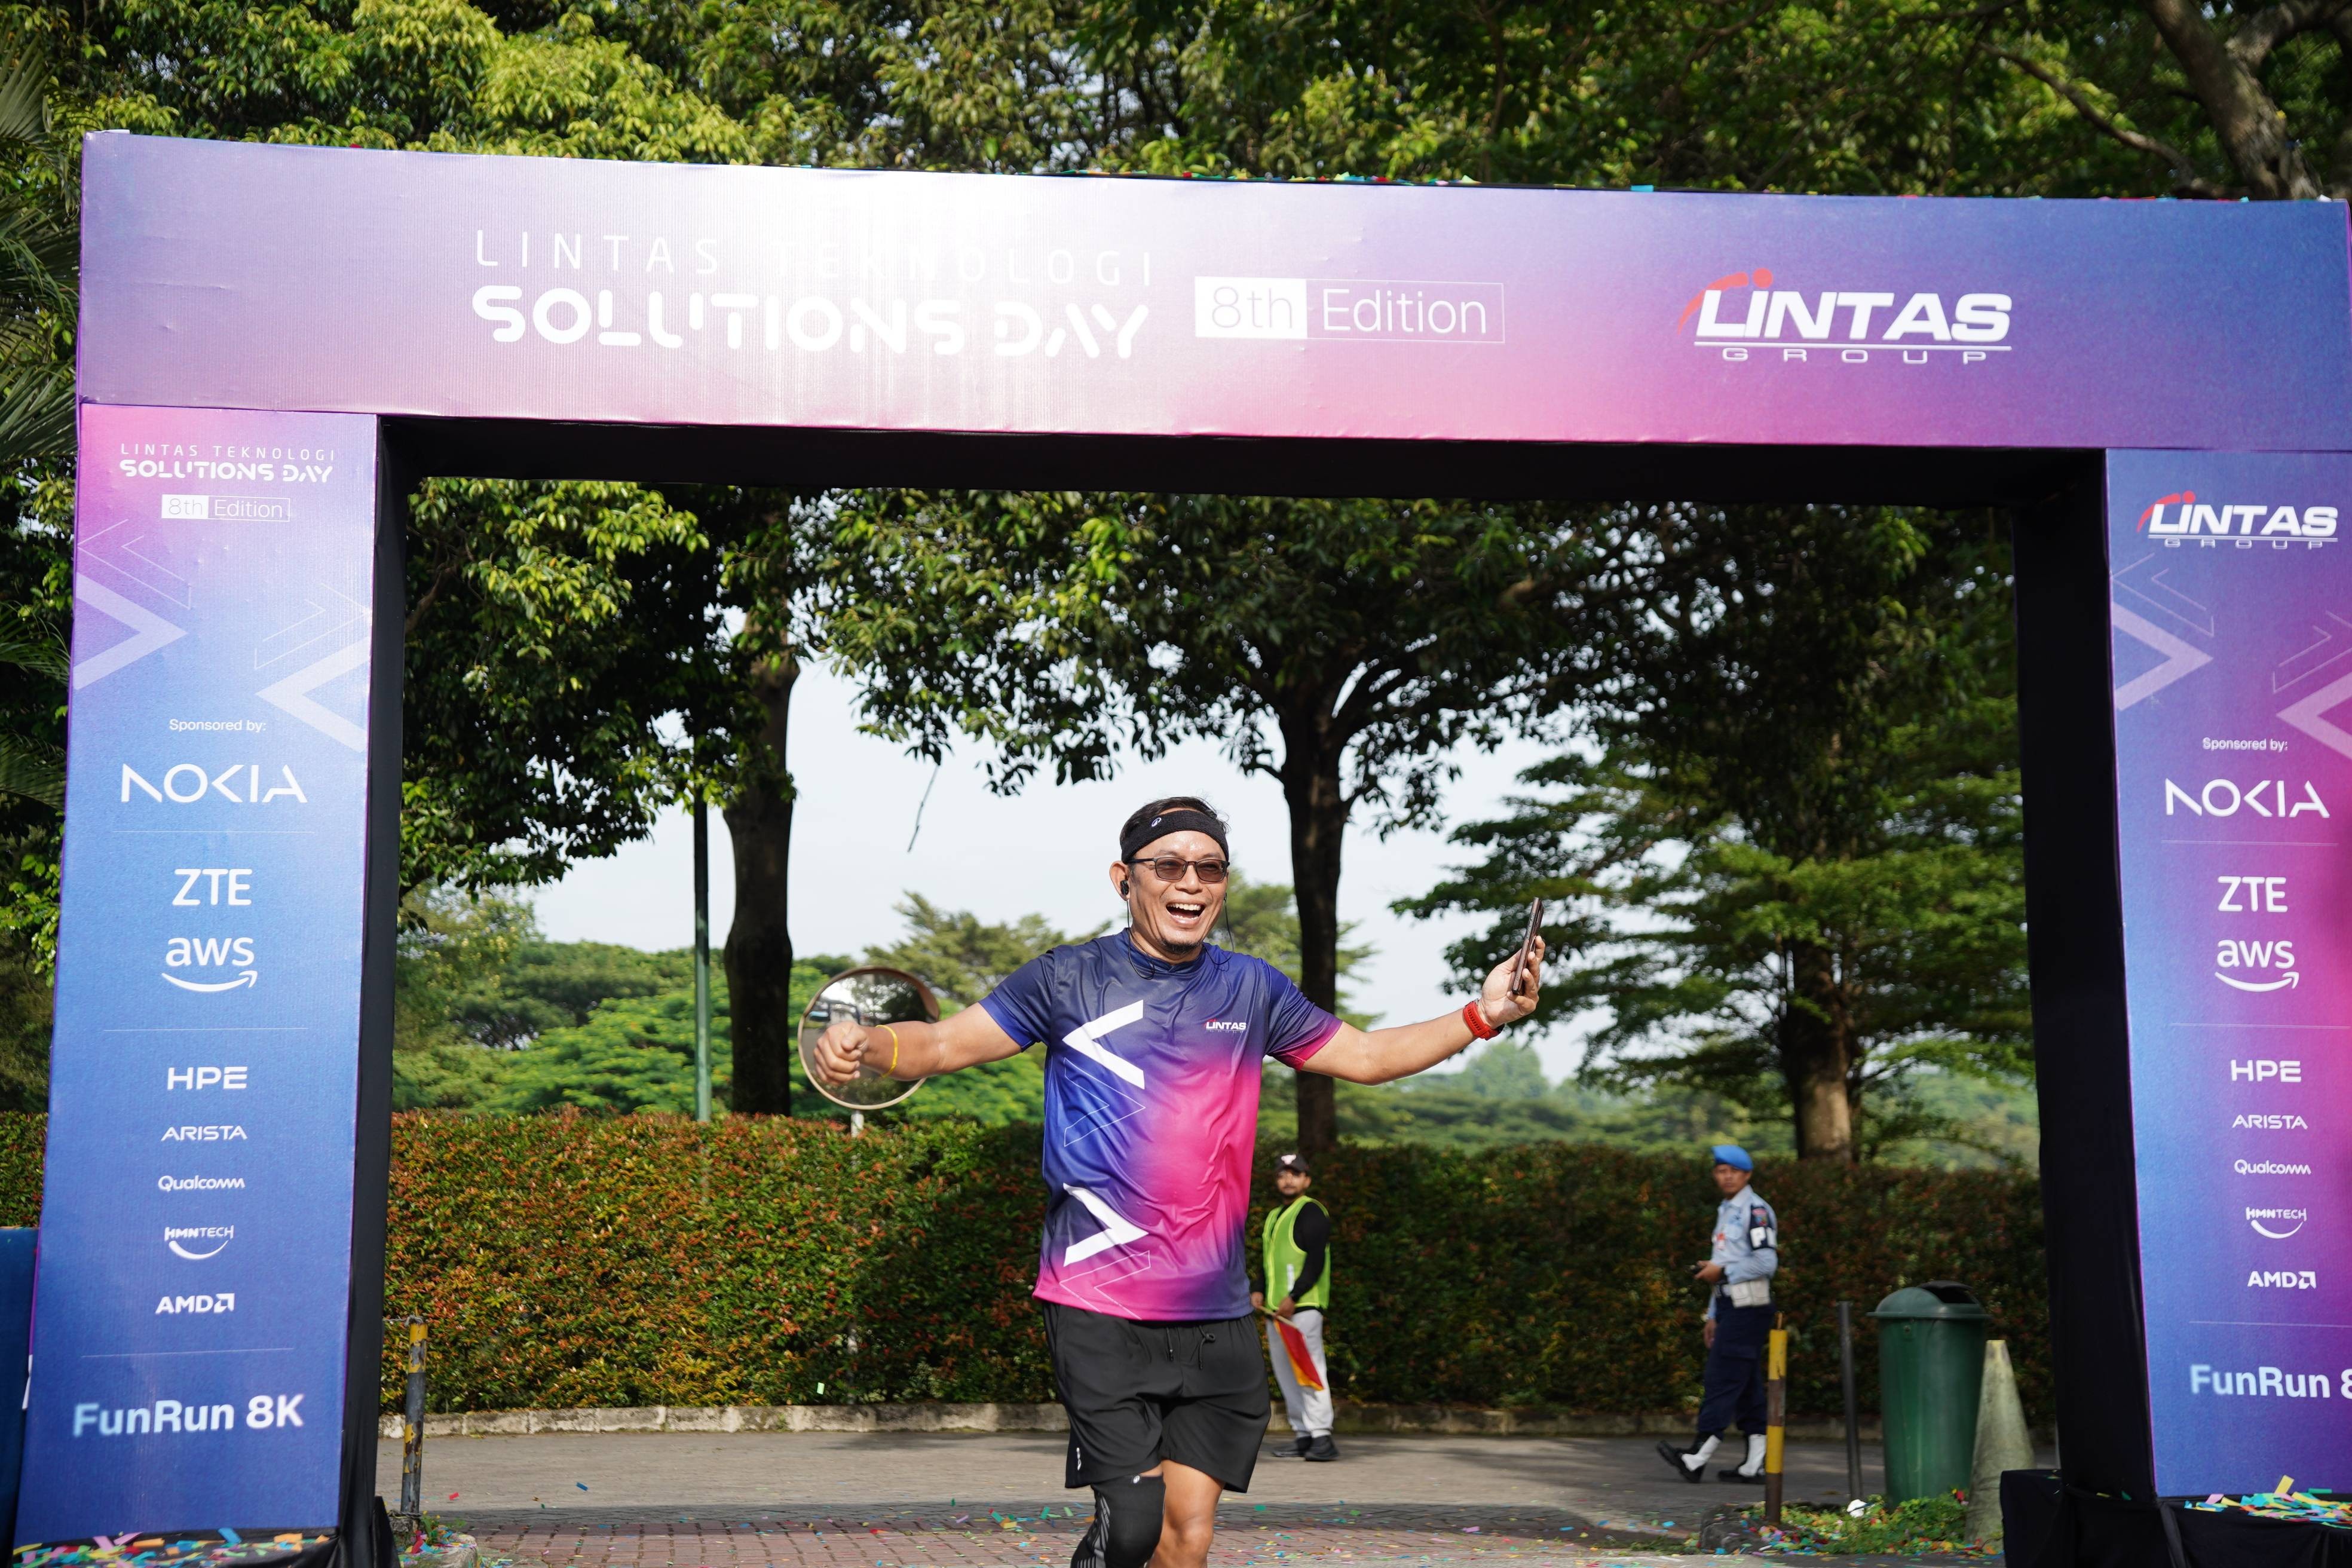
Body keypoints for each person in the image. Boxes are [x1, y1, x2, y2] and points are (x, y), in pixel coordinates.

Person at [810, 797, 1544, 1568]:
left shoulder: (1252, 989)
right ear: (1124, 879)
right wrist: (869, 1044)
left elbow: (1365, 1057)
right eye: (1169, 865)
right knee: (1132, 1526)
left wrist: (1483, 1013)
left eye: (1211, 867)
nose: (1192, 882)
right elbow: (943, 1043)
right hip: (1098, 1306)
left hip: (1215, 1314)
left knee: (1186, 1538)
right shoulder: (1066, 978)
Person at [1656, 1143, 1780, 1484]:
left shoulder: (1756, 1210)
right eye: (1721, 1171)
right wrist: (1713, 1315)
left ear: (1747, 1175)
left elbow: (1767, 1262)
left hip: (1749, 1307)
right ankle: (1755, 1465)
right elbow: (1721, 1264)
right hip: (1730, 1306)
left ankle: (1697, 1456)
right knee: (1746, 1385)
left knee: (1721, 1378)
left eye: (1734, 1171)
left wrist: (1723, 1272)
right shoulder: (1727, 1210)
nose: (1727, 1177)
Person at [1251, 1152, 1336, 1462]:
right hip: (1277, 1310)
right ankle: (1304, 1434)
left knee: (1309, 1370)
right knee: (1287, 1374)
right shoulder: (1275, 1216)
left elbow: (1315, 1261)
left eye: (1295, 1174)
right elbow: (1269, 1262)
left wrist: (1294, 1296)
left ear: (1307, 1180)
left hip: (1301, 1308)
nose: (1288, 1179)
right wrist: (1258, 1289)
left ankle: (1322, 1436)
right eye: (1282, 1174)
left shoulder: (1311, 1211)